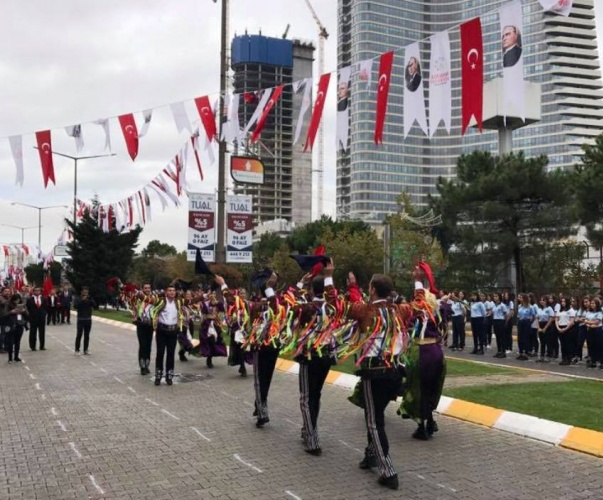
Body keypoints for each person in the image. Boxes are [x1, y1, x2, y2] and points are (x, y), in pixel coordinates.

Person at [324, 260, 409, 491]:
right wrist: (419, 279)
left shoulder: (365, 310)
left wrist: (329, 276)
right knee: (377, 414)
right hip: (394, 373)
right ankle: (371, 455)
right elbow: (421, 304)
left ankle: (388, 471)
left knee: (373, 422)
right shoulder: (400, 309)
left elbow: (335, 305)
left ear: (372, 290)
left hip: (375, 373)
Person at [151, 285, 185, 386]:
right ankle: (158, 375)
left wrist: (204, 297)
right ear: (166, 292)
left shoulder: (178, 302)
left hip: (173, 331)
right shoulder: (161, 301)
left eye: (173, 291)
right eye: (169, 290)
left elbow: (191, 301)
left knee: (171, 354)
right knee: (160, 353)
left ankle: (169, 376)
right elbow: (150, 301)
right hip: (161, 331)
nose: (172, 292)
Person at [131, 283, 154, 374]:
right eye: (145, 288)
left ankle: (147, 364)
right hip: (141, 324)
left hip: (150, 324)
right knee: (143, 345)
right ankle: (142, 366)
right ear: (142, 289)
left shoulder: (153, 298)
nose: (147, 289)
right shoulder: (138, 298)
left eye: (149, 288)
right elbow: (131, 300)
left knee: (148, 346)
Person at [5, 293, 27, 363]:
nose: (17, 301)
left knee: (18, 342)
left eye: (18, 300)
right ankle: (10, 358)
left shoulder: (21, 305)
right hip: (11, 325)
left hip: (20, 325)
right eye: (15, 300)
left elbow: (27, 316)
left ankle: (16, 356)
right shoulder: (8, 305)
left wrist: (24, 311)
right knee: (11, 342)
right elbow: (5, 315)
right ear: (13, 300)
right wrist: (12, 312)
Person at [74, 288, 96, 355]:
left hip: (88, 319)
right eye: (84, 292)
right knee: (79, 335)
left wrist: (90, 300)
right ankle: (77, 350)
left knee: (87, 335)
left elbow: (94, 305)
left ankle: (85, 349)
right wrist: (82, 300)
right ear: (81, 292)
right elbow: (75, 306)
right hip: (81, 319)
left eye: (87, 292)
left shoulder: (90, 298)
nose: (85, 293)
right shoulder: (78, 298)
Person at [26, 287, 47, 351]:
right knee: (33, 333)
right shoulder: (30, 299)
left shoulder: (43, 298)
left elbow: (45, 307)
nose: (37, 292)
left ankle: (42, 346)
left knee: (42, 332)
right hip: (33, 318)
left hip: (41, 318)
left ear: (40, 291)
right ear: (33, 291)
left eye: (38, 290)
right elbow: (28, 308)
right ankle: (33, 346)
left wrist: (44, 314)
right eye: (36, 291)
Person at [491, 293, 509, 358]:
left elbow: (505, 315)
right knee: (497, 337)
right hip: (495, 320)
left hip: (500, 321)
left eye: (496, 296)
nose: (495, 298)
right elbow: (493, 313)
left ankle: (503, 352)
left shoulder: (502, 305)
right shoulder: (494, 305)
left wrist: (504, 322)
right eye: (494, 296)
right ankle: (499, 351)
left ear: (499, 297)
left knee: (502, 337)